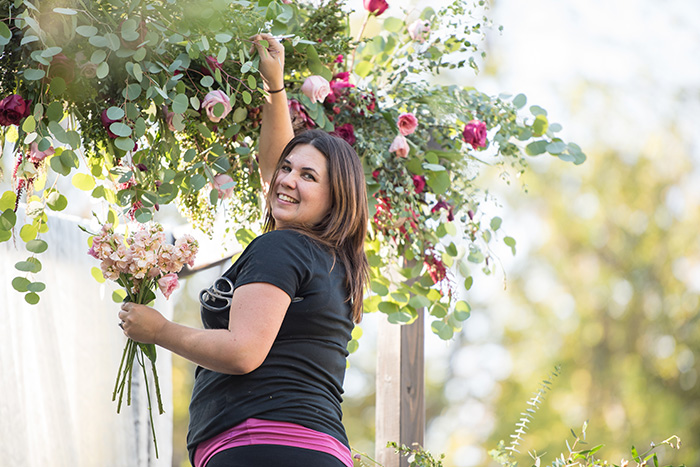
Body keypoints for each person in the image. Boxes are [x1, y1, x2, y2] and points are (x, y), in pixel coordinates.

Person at [117, 34, 369, 467]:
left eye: (309, 176)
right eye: (288, 169)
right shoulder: (334, 260)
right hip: (311, 447)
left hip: (265, 444)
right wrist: (275, 88)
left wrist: (159, 331)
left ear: (336, 196)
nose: (288, 180)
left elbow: (242, 351)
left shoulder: (283, 247)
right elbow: (277, 175)